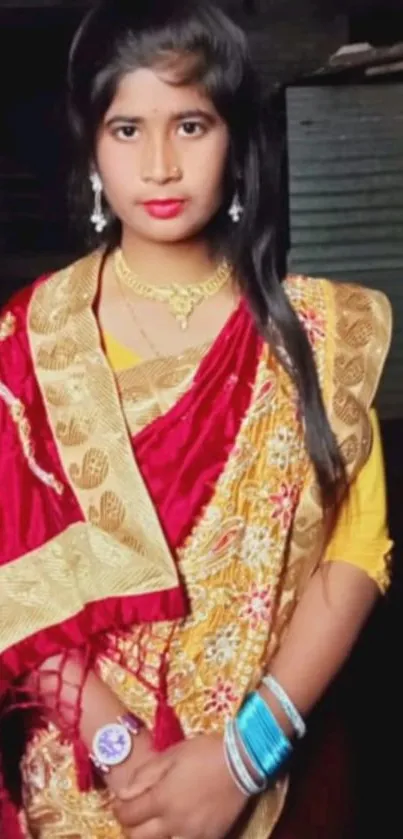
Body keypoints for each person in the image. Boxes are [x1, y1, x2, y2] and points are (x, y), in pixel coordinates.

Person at [0, 1, 393, 837]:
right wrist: (121, 749)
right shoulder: (33, 340)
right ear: (92, 147)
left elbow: (357, 554)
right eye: (127, 129)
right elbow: (17, 574)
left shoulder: (319, 334)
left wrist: (243, 757)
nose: (162, 165)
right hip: (85, 781)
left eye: (190, 123)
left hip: (277, 772)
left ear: (235, 140)